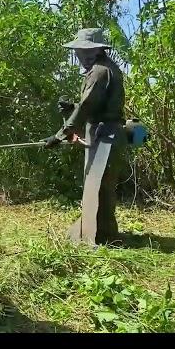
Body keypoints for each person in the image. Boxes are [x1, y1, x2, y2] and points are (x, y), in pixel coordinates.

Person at [42, 28, 126, 246]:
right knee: (98, 187)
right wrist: (72, 107)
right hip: (103, 133)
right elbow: (94, 104)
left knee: (97, 187)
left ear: (98, 50)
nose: (82, 55)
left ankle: (95, 238)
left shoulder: (99, 72)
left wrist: (60, 136)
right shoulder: (104, 68)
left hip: (105, 135)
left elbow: (88, 106)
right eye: (80, 51)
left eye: (87, 51)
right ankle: (102, 234)